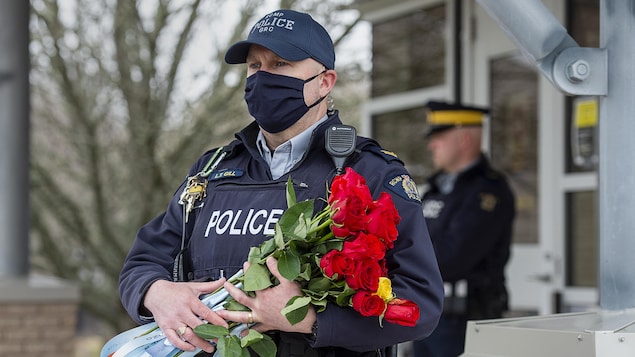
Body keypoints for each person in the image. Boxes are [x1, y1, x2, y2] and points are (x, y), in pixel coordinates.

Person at [118, 9, 443, 356]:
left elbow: (419, 302)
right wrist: (155, 292)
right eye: (255, 66)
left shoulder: (370, 172)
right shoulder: (211, 171)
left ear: (325, 81)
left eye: (280, 65)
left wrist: (310, 319)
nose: (263, 77)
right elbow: (143, 262)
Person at [413, 101, 516, 357]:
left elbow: (452, 257)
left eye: (439, 137)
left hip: (465, 318)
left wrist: (405, 255)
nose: (431, 145)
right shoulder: (436, 187)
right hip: (427, 312)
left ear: (465, 139)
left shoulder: (487, 191)